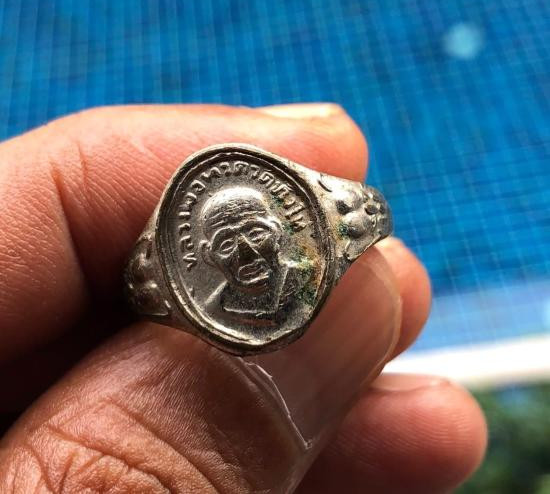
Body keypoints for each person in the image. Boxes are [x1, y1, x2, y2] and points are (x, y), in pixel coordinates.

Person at [0, 103, 486, 492]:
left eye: (256, 231)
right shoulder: (207, 307)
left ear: (279, 229)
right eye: (228, 243)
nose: (249, 251)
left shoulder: (307, 269)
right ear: (209, 255)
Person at [201, 186, 309, 322]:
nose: (246, 254)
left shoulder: (306, 282)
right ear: (209, 256)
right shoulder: (213, 309)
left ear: (277, 232)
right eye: (226, 245)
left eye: (255, 234)